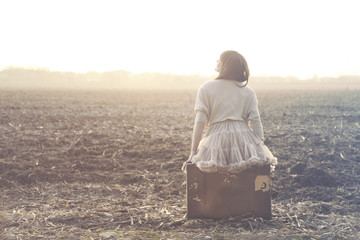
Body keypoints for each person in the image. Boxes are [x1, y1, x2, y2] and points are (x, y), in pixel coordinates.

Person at [182, 50, 277, 173]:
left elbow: (200, 121)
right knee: (245, 182)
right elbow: (256, 121)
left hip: (216, 139)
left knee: (216, 180)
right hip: (245, 139)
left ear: (226, 64)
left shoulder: (206, 88)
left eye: (220, 59)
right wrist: (259, 149)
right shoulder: (248, 91)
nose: (217, 61)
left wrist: (193, 152)